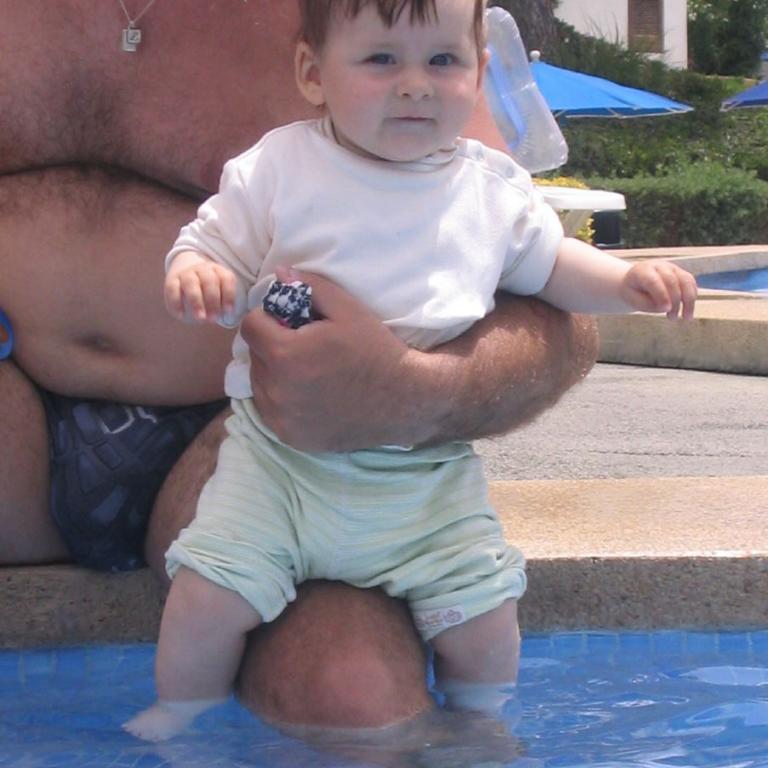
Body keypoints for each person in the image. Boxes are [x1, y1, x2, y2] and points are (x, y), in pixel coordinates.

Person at [0, 0, 599, 732]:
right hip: (12, 414)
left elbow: (550, 302)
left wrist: (420, 389)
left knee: (355, 699)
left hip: (267, 442)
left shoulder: (382, 16)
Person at [122, 0, 696, 742]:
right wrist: (200, 275)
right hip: (280, 468)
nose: (416, 84)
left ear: (479, 75)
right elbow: (211, 244)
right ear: (312, 73)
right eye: (382, 59)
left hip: (424, 477)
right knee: (206, 597)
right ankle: (181, 712)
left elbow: (552, 266)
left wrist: (624, 283)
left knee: (485, 616)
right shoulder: (278, 168)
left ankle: (481, 721)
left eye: (443, 61)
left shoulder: (490, 191)